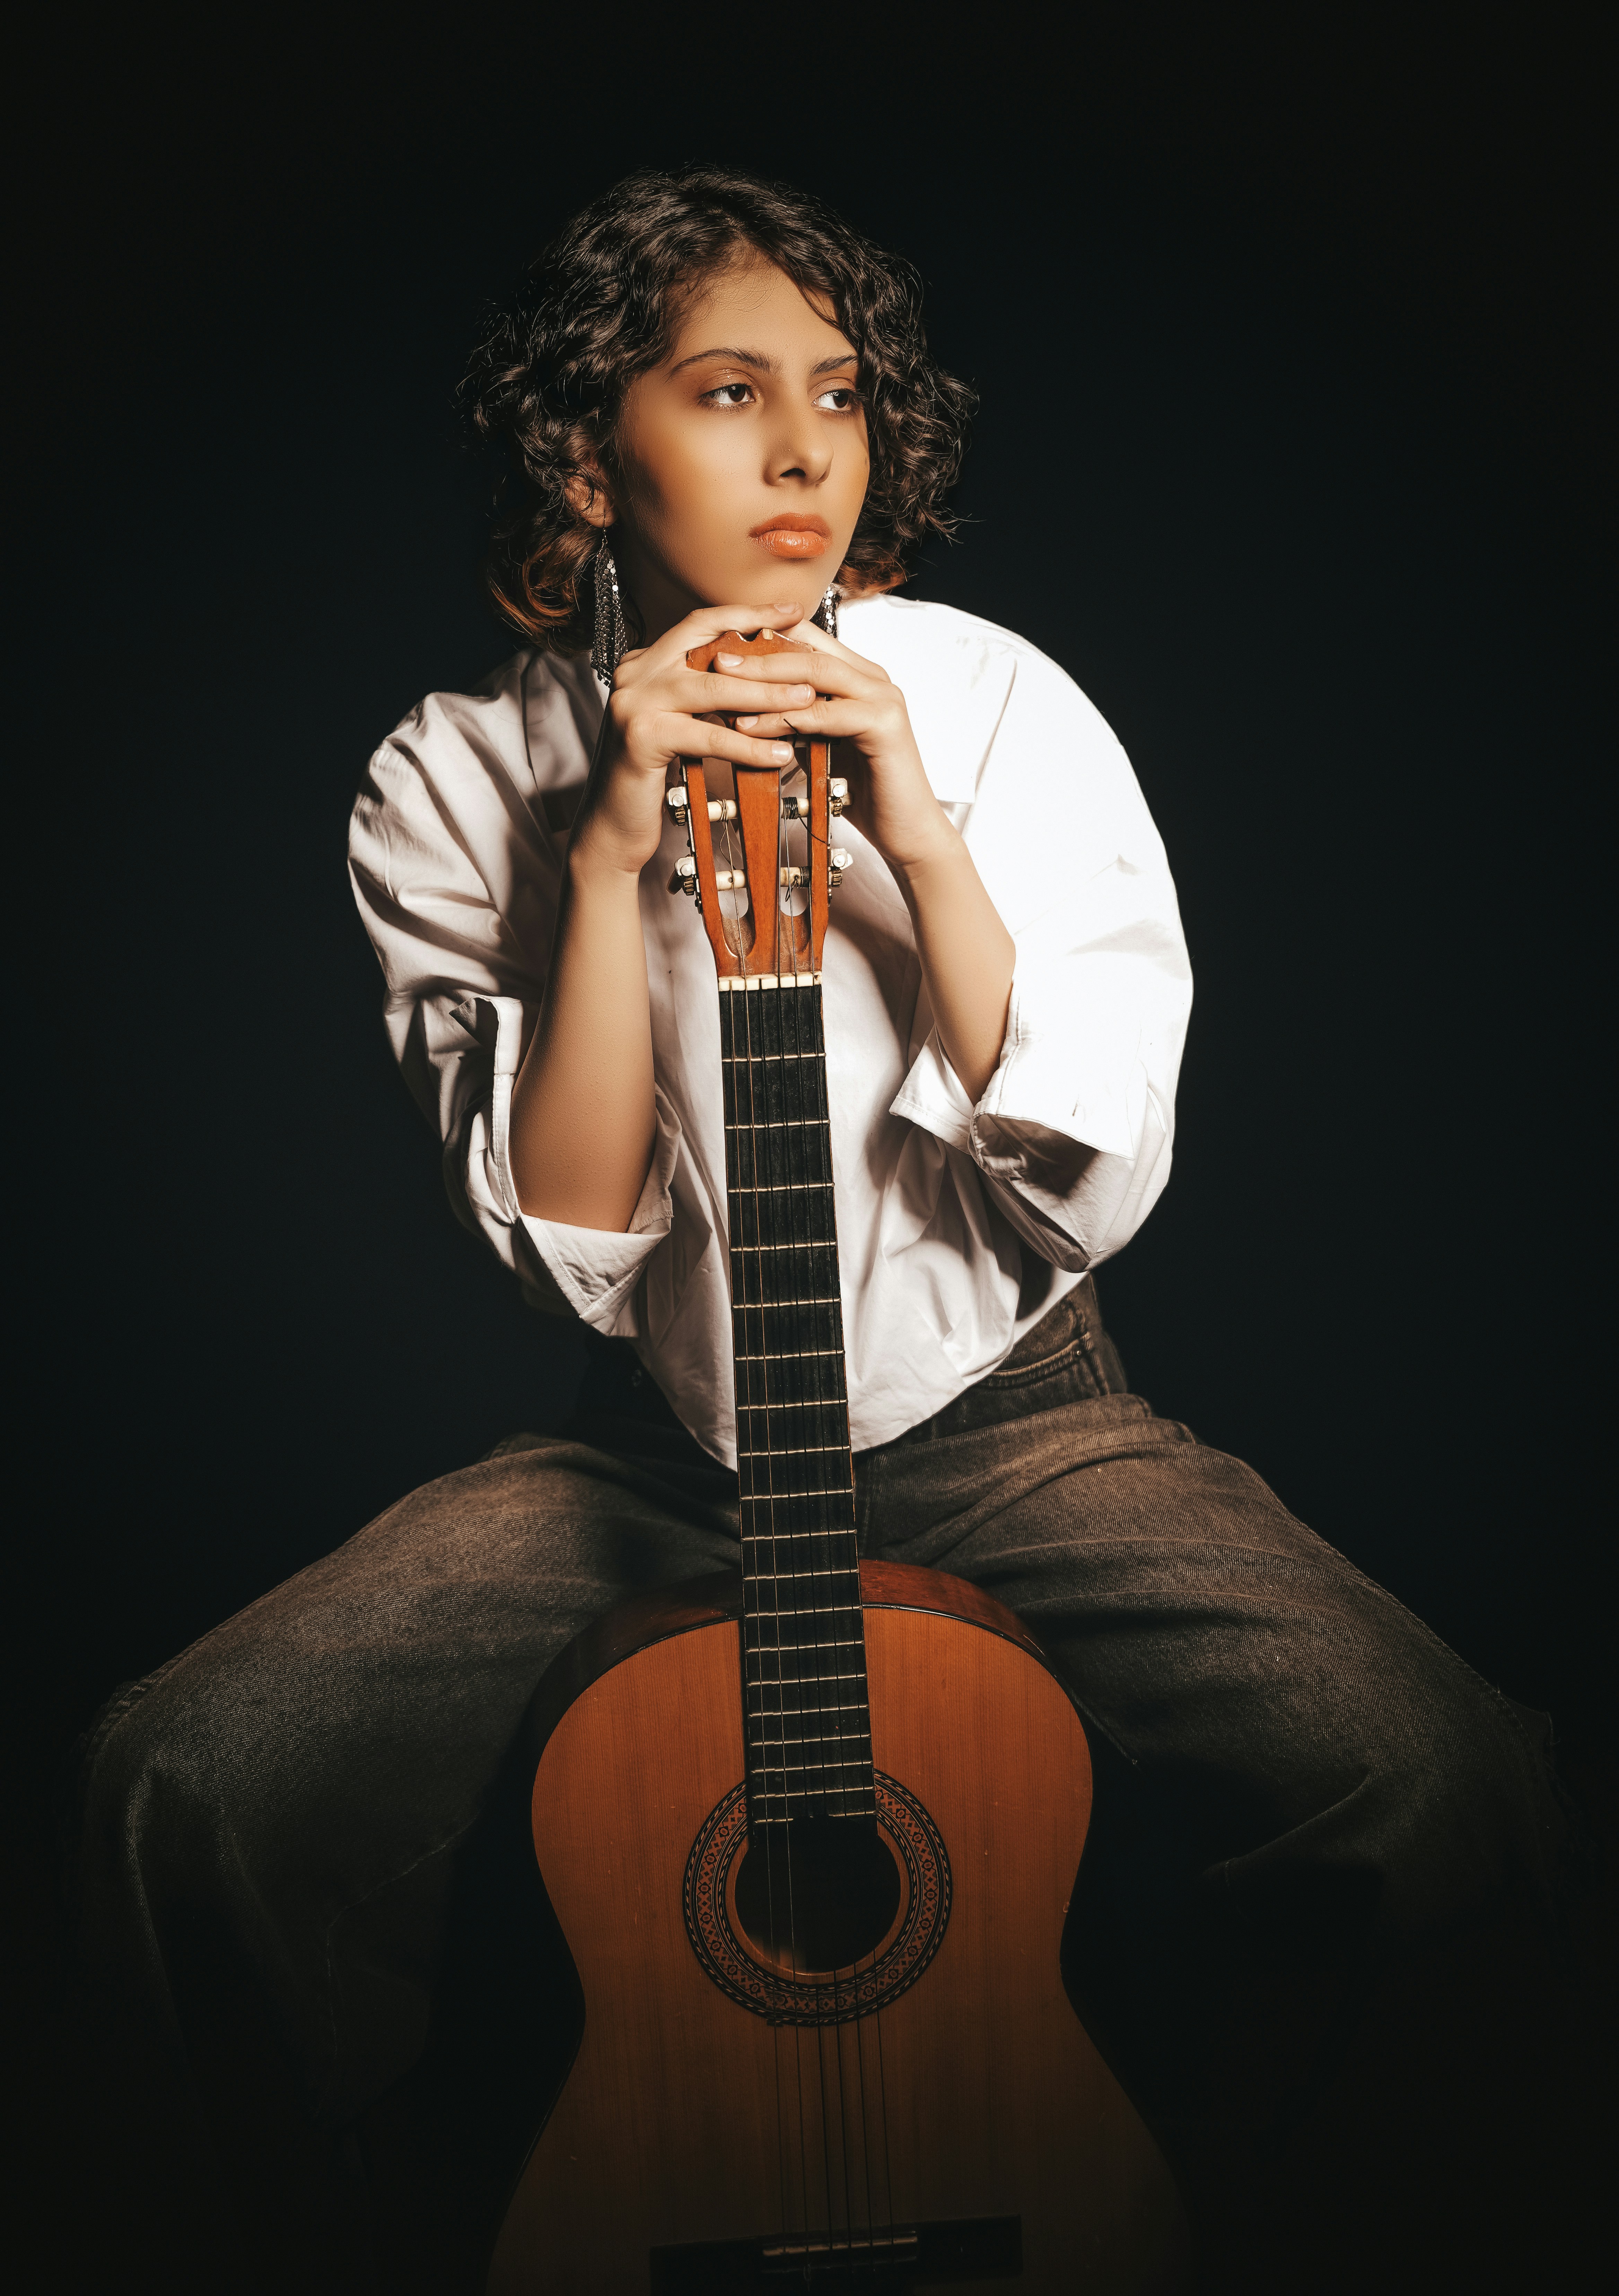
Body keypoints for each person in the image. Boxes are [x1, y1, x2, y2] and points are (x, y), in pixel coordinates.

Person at [74, 168, 1582, 2294]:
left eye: (845, 394)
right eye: (724, 391)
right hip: (673, 1448)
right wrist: (602, 864)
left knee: (1439, 1782)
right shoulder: (449, 772)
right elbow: (569, 1243)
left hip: (1010, 1418)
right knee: (181, 1787)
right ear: (586, 454)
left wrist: (919, 839)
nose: (804, 451)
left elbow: (1079, 1164)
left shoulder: (988, 698)